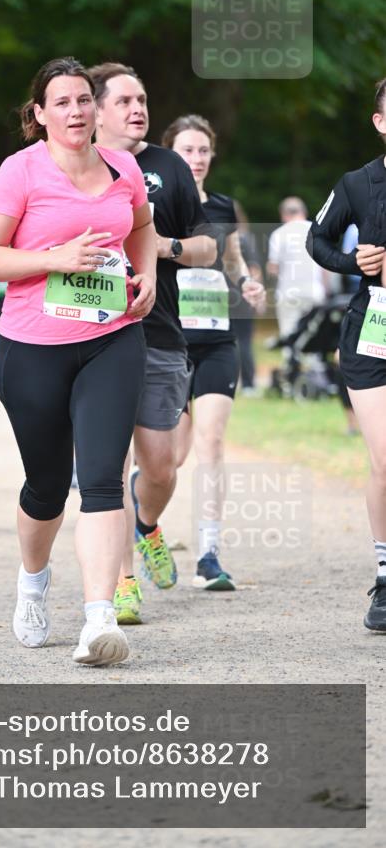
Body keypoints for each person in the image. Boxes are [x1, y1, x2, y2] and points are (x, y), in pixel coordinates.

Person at [0, 56, 156, 666]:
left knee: (102, 477)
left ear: (96, 109)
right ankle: (32, 580)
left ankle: (100, 620)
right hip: (32, 348)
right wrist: (55, 258)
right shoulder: (19, 172)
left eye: (84, 100)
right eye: (63, 103)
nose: (76, 112)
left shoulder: (125, 167)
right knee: (47, 486)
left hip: (112, 338)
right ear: (39, 114)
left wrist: (147, 272)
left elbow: (142, 226)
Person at [89, 62, 216, 625]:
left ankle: (147, 526)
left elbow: (208, 246)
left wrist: (162, 248)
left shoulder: (169, 169)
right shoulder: (76, 166)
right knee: (107, 468)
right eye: (125, 101)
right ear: (94, 110)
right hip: (93, 333)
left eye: (142, 100)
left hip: (160, 330)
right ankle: (121, 585)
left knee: (161, 467)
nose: (139, 109)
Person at [162, 115, 265, 590]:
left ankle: (208, 553)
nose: (197, 159)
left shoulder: (223, 206)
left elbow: (231, 258)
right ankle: (145, 528)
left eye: (203, 150)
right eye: (187, 150)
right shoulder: (156, 205)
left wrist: (246, 281)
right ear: (169, 155)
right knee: (170, 460)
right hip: (169, 343)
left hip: (217, 339)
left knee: (212, 443)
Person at [307, 77, 386, 632]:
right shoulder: (358, 183)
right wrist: (353, 261)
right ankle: (385, 579)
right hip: (373, 332)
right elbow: (317, 239)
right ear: (381, 122)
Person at [268, 197, 326, 340]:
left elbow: (273, 268)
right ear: (304, 212)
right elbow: (326, 266)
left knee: (288, 334)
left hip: (288, 292)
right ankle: (314, 362)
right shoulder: (317, 231)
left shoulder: (278, 234)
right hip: (314, 291)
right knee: (313, 336)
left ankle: (291, 360)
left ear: (284, 214)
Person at [232, 201, 263, 395]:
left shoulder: (216, 238)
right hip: (242, 296)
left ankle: (231, 381)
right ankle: (249, 384)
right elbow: (255, 270)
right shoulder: (244, 239)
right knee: (244, 341)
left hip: (222, 296)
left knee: (228, 342)